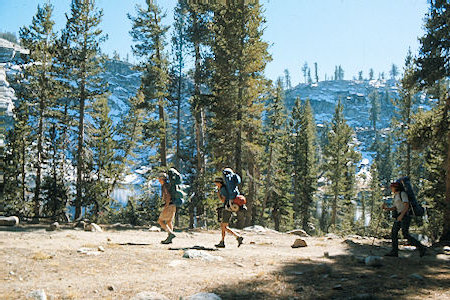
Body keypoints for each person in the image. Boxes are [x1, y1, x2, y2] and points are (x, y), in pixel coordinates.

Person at [382, 181, 426, 257]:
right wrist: (387, 208)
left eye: (392, 187)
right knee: (394, 232)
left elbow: (406, 206)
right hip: (400, 215)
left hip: (405, 216)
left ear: (395, 187)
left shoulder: (402, 194)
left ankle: (421, 247)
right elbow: (396, 207)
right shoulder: (396, 195)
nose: (391, 189)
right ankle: (394, 252)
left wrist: (401, 215)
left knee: (405, 234)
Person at [214, 176, 243, 248]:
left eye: (216, 183)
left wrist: (218, 194)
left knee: (224, 226)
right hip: (229, 207)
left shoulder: (223, 189)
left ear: (219, 183)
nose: (215, 184)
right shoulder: (225, 188)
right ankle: (223, 241)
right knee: (223, 226)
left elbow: (223, 200)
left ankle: (237, 237)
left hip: (227, 208)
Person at [158, 172, 176, 244]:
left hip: (169, 206)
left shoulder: (165, 186)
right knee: (169, 221)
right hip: (173, 205)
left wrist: (166, 205)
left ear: (161, 179)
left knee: (160, 221)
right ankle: (169, 239)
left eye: (159, 178)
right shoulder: (169, 185)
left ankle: (170, 233)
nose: (158, 179)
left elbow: (168, 195)